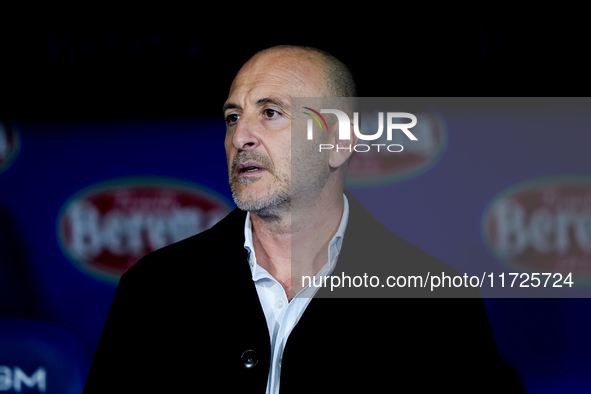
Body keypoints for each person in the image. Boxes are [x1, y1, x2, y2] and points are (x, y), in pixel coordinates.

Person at [83, 46, 515, 393]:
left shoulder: (435, 304)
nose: (240, 137)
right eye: (233, 117)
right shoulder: (154, 289)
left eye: (271, 113)